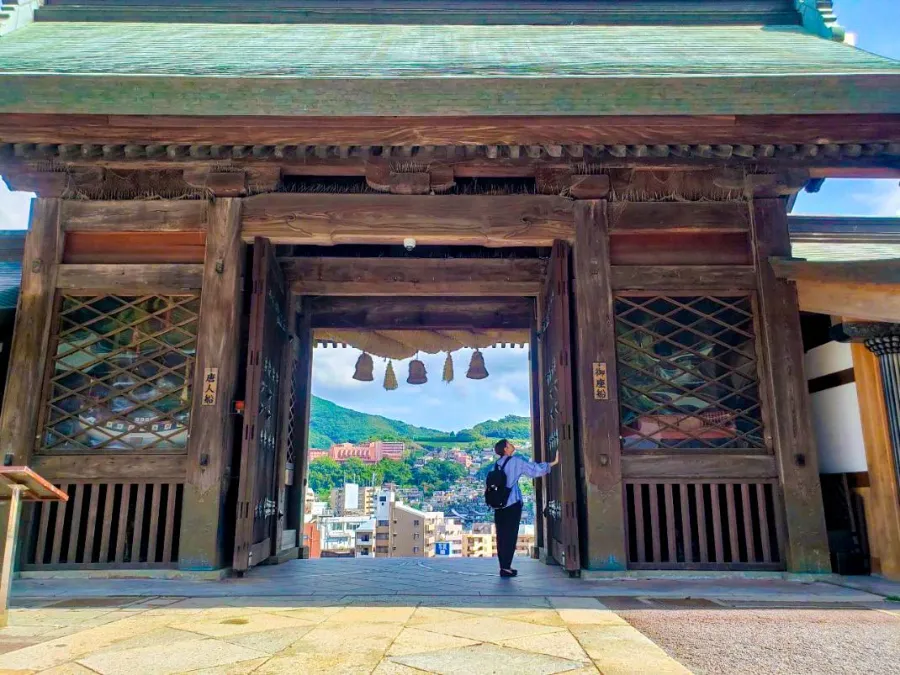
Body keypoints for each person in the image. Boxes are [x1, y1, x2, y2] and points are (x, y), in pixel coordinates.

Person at [492, 438, 559, 578]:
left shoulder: (497, 464)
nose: (512, 445)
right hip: (511, 504)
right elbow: (533, 470)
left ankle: (503, 566)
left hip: (498, 505)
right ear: (505, 449)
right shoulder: (514, 461)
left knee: (501, 536)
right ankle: (506, 567)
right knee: (510, 535)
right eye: (509, 444)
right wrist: (552, 463)